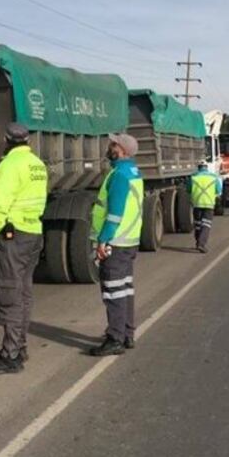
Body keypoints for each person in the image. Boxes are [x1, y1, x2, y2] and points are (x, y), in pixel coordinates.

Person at [0, 123, 48, 375]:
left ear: (7, 140)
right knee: (23, 292)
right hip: (33, 234)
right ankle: (19, 346)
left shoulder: (8, 166)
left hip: (12, 237)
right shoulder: (37, 165)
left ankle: (11, 355)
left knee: (9, 294)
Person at [89, 133, 143, 356]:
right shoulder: (133, 172)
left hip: (116, 242)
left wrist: (103, 240)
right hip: (128, 241)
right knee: (125, 289)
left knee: (113, 291)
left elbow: (114, 214)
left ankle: (115, 338)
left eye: (113, 144)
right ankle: (127, 333)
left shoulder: (119, 175)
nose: (109, 146)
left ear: (122, 150)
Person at [189, 161, 222, 253]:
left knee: (198, 225)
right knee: (206, 225)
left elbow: (188, 189)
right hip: (209, 204)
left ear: (198, 168)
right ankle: (201, 244)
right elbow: (219, 190)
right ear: (206, 167)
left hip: (197, 204)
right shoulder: (214, 177)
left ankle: (197, 242)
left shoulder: (193, 177)